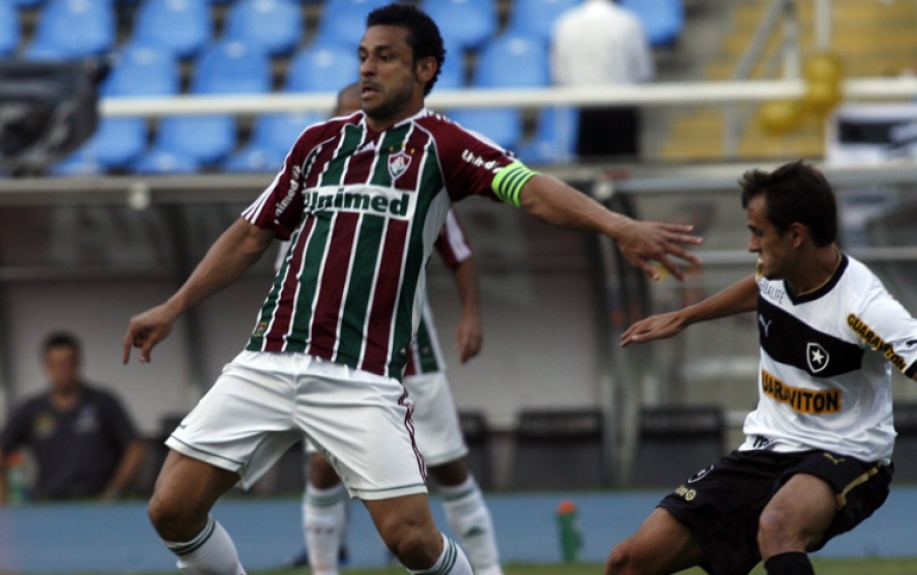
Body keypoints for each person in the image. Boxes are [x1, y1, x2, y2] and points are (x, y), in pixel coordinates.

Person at [123, 5, 702, 575]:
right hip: (267, 359)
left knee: (412, 541)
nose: (367, 69)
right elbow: (250, 235)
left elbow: (533, 190)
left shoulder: (443, 145)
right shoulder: (318, 143)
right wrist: (174, 306)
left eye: (386, 57)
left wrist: (617, 224)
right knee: (171, 509)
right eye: (362, 57)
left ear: (425, 69)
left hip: (356, 376)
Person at [606, 161, 917, 575]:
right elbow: (760, 289)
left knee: (777, 527)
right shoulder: (776, 270)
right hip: (767, 448)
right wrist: (686, 317)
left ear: (796, 235)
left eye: (758, 233)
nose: (752, 246)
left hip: (848, 454)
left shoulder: (865, 309)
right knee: (627, 562)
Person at [283, 82, 503, 575]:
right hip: (329, 349)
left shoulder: (414, 181)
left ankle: (489, 570)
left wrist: (471, 313)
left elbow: (459, 253)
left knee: (448, 466)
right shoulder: (313, 182)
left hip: (408, 350)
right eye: (344, 116)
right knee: (322, 467)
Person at [0, 332, 145, 503]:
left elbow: (135, 447)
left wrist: (115, 490)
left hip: (98, 502)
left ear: (77, 363)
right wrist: (5, 497)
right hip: (49, 502)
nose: (63, 370)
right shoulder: (31, 409)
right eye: (57, 364)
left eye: (68, 363)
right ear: (46, 366)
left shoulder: (103, 402)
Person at [550, 0, 653, 160]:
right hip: (620, 109)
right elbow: (643, 71)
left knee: (588, 172)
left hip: (584, 109)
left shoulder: (566, 22)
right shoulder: (628, 22)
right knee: (622, 170)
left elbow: (560, 74)